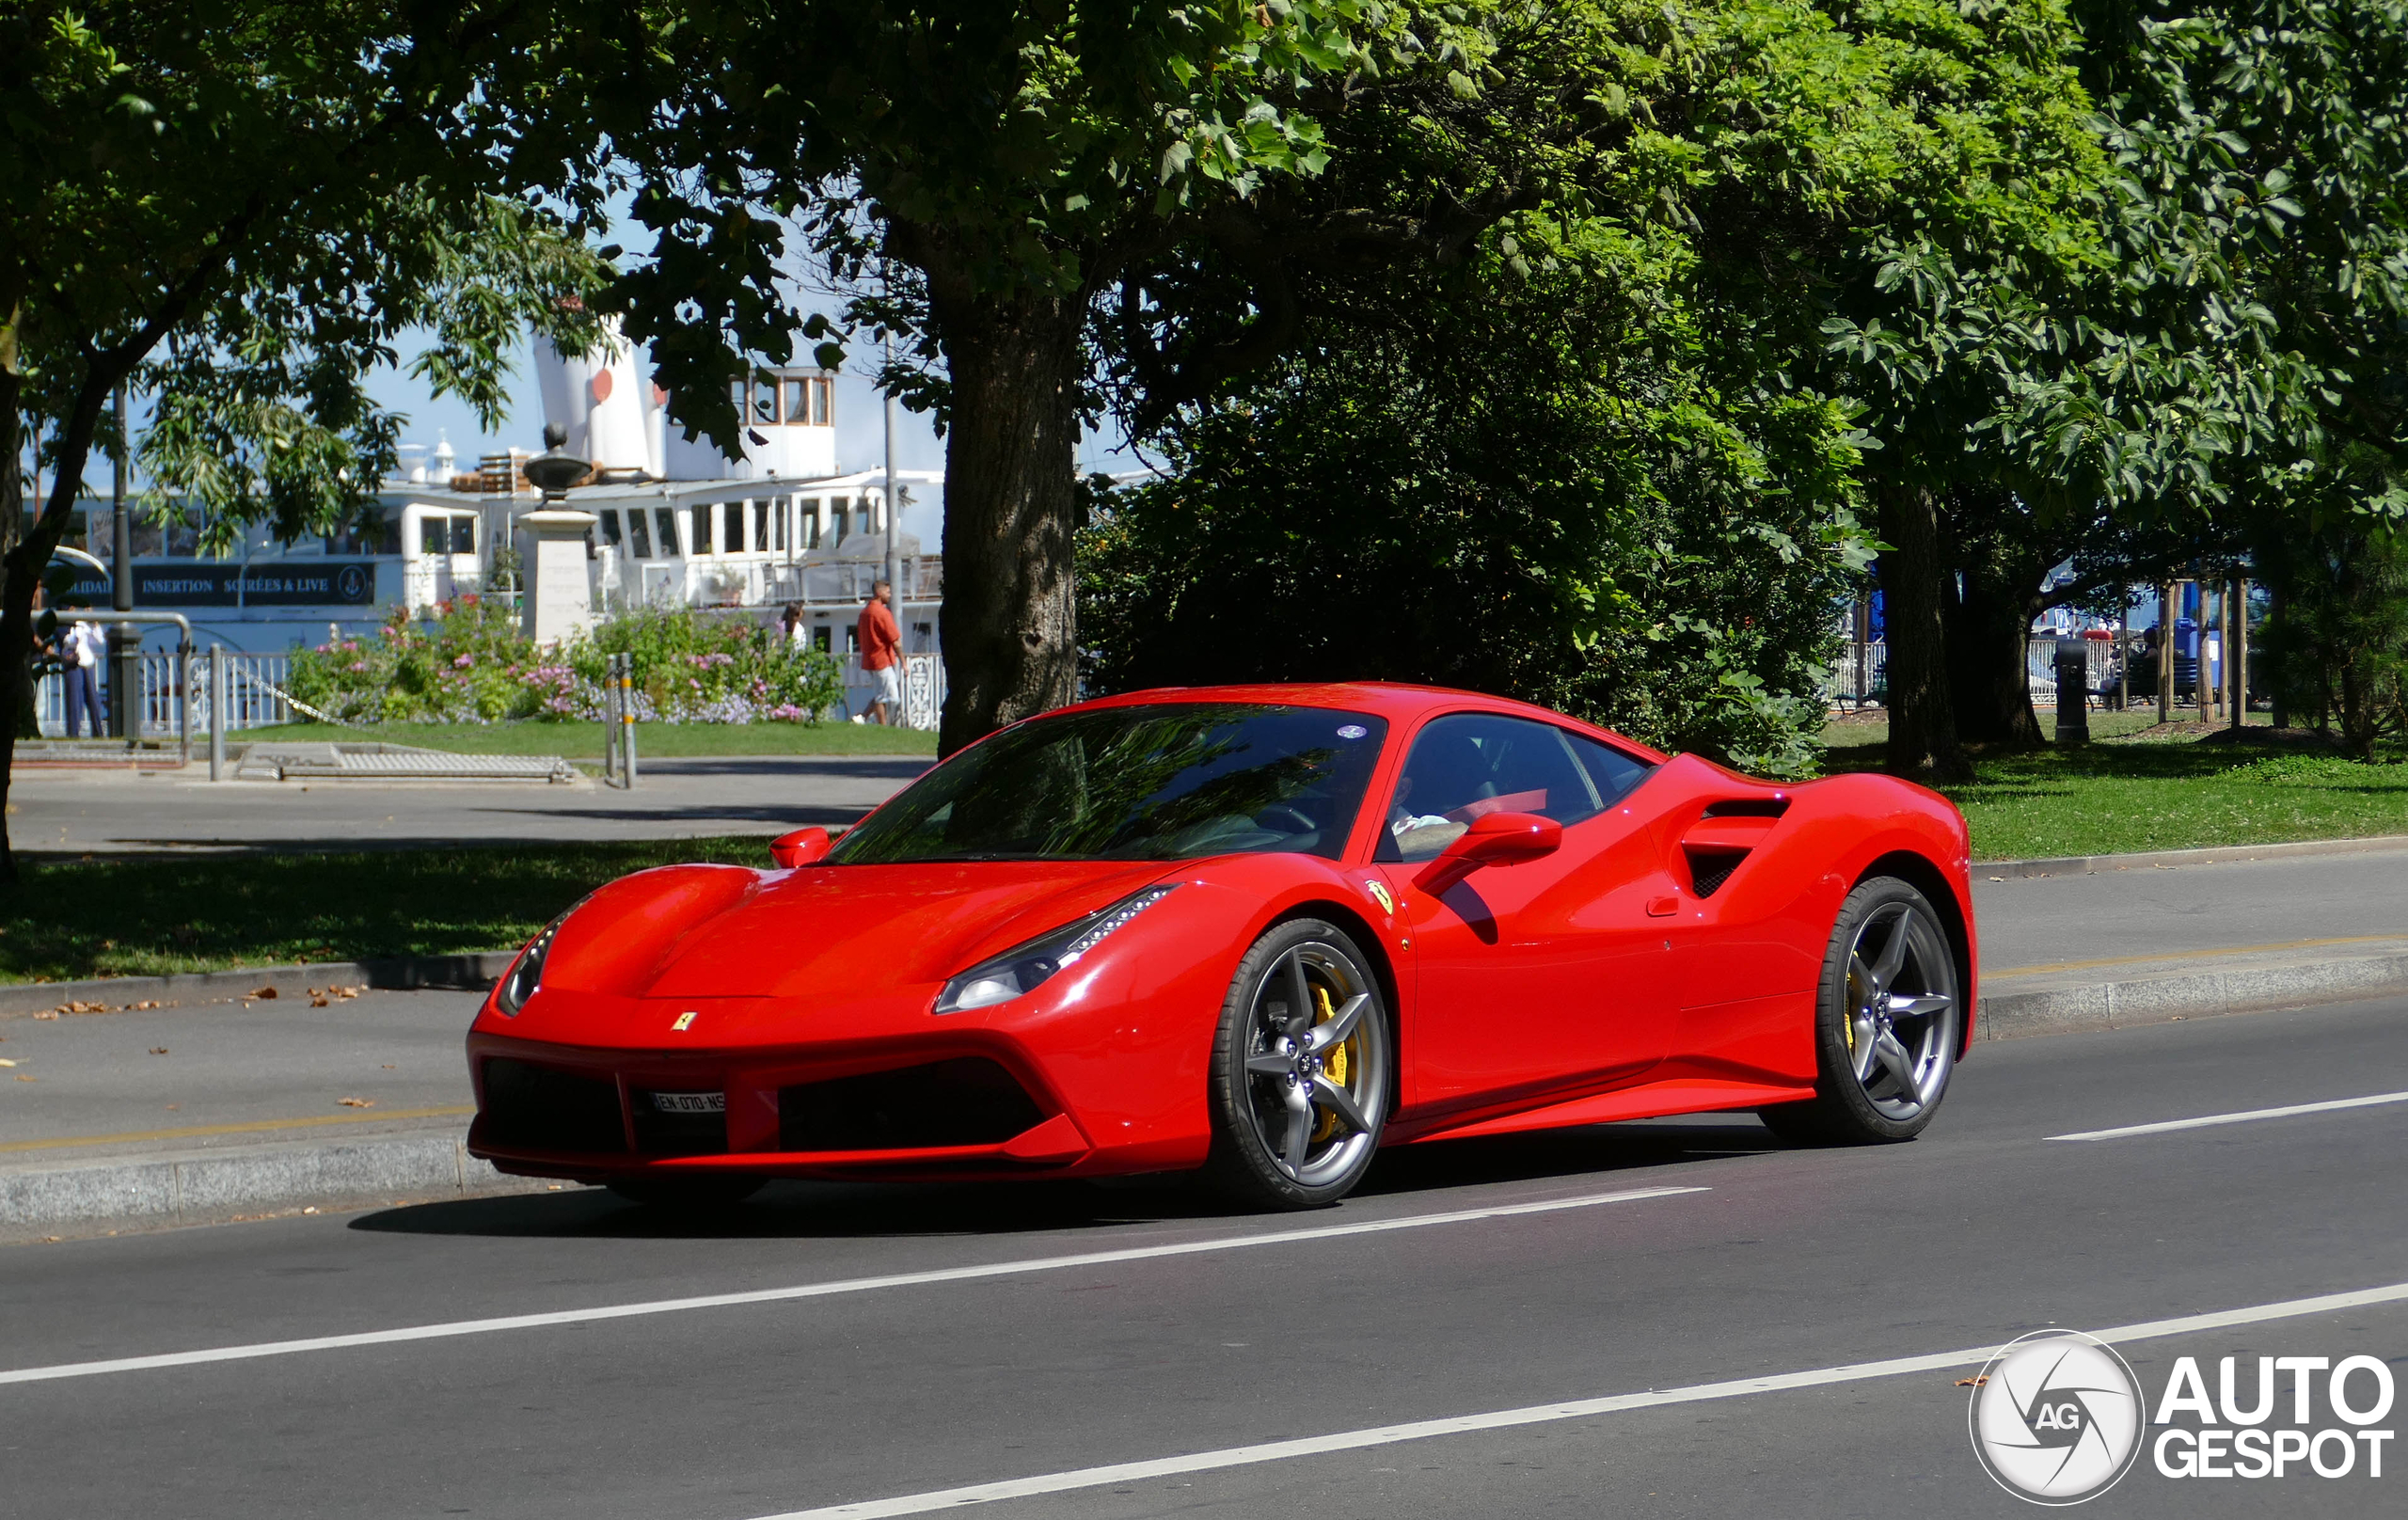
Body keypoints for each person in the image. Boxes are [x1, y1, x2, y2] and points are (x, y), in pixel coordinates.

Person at [855, 579, 902, 725]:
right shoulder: (882, 613)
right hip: (882, 659)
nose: (890, 595)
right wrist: (904, 661)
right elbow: (895, 640)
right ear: (879, 592)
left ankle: (864, 717)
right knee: (885, 696)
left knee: (885, 694)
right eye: (888, 592)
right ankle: (877, 723)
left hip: (870, 659)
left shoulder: (864, 613)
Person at [62, 614, 105, 738]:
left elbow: (99, 640)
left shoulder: (85, 624)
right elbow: (67, 640)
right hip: (74, 662)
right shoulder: (64, 625)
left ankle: (98, 732)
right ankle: (73, 733)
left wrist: (94, 623)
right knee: (75, 699)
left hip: (86, 662)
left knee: (93, 699)